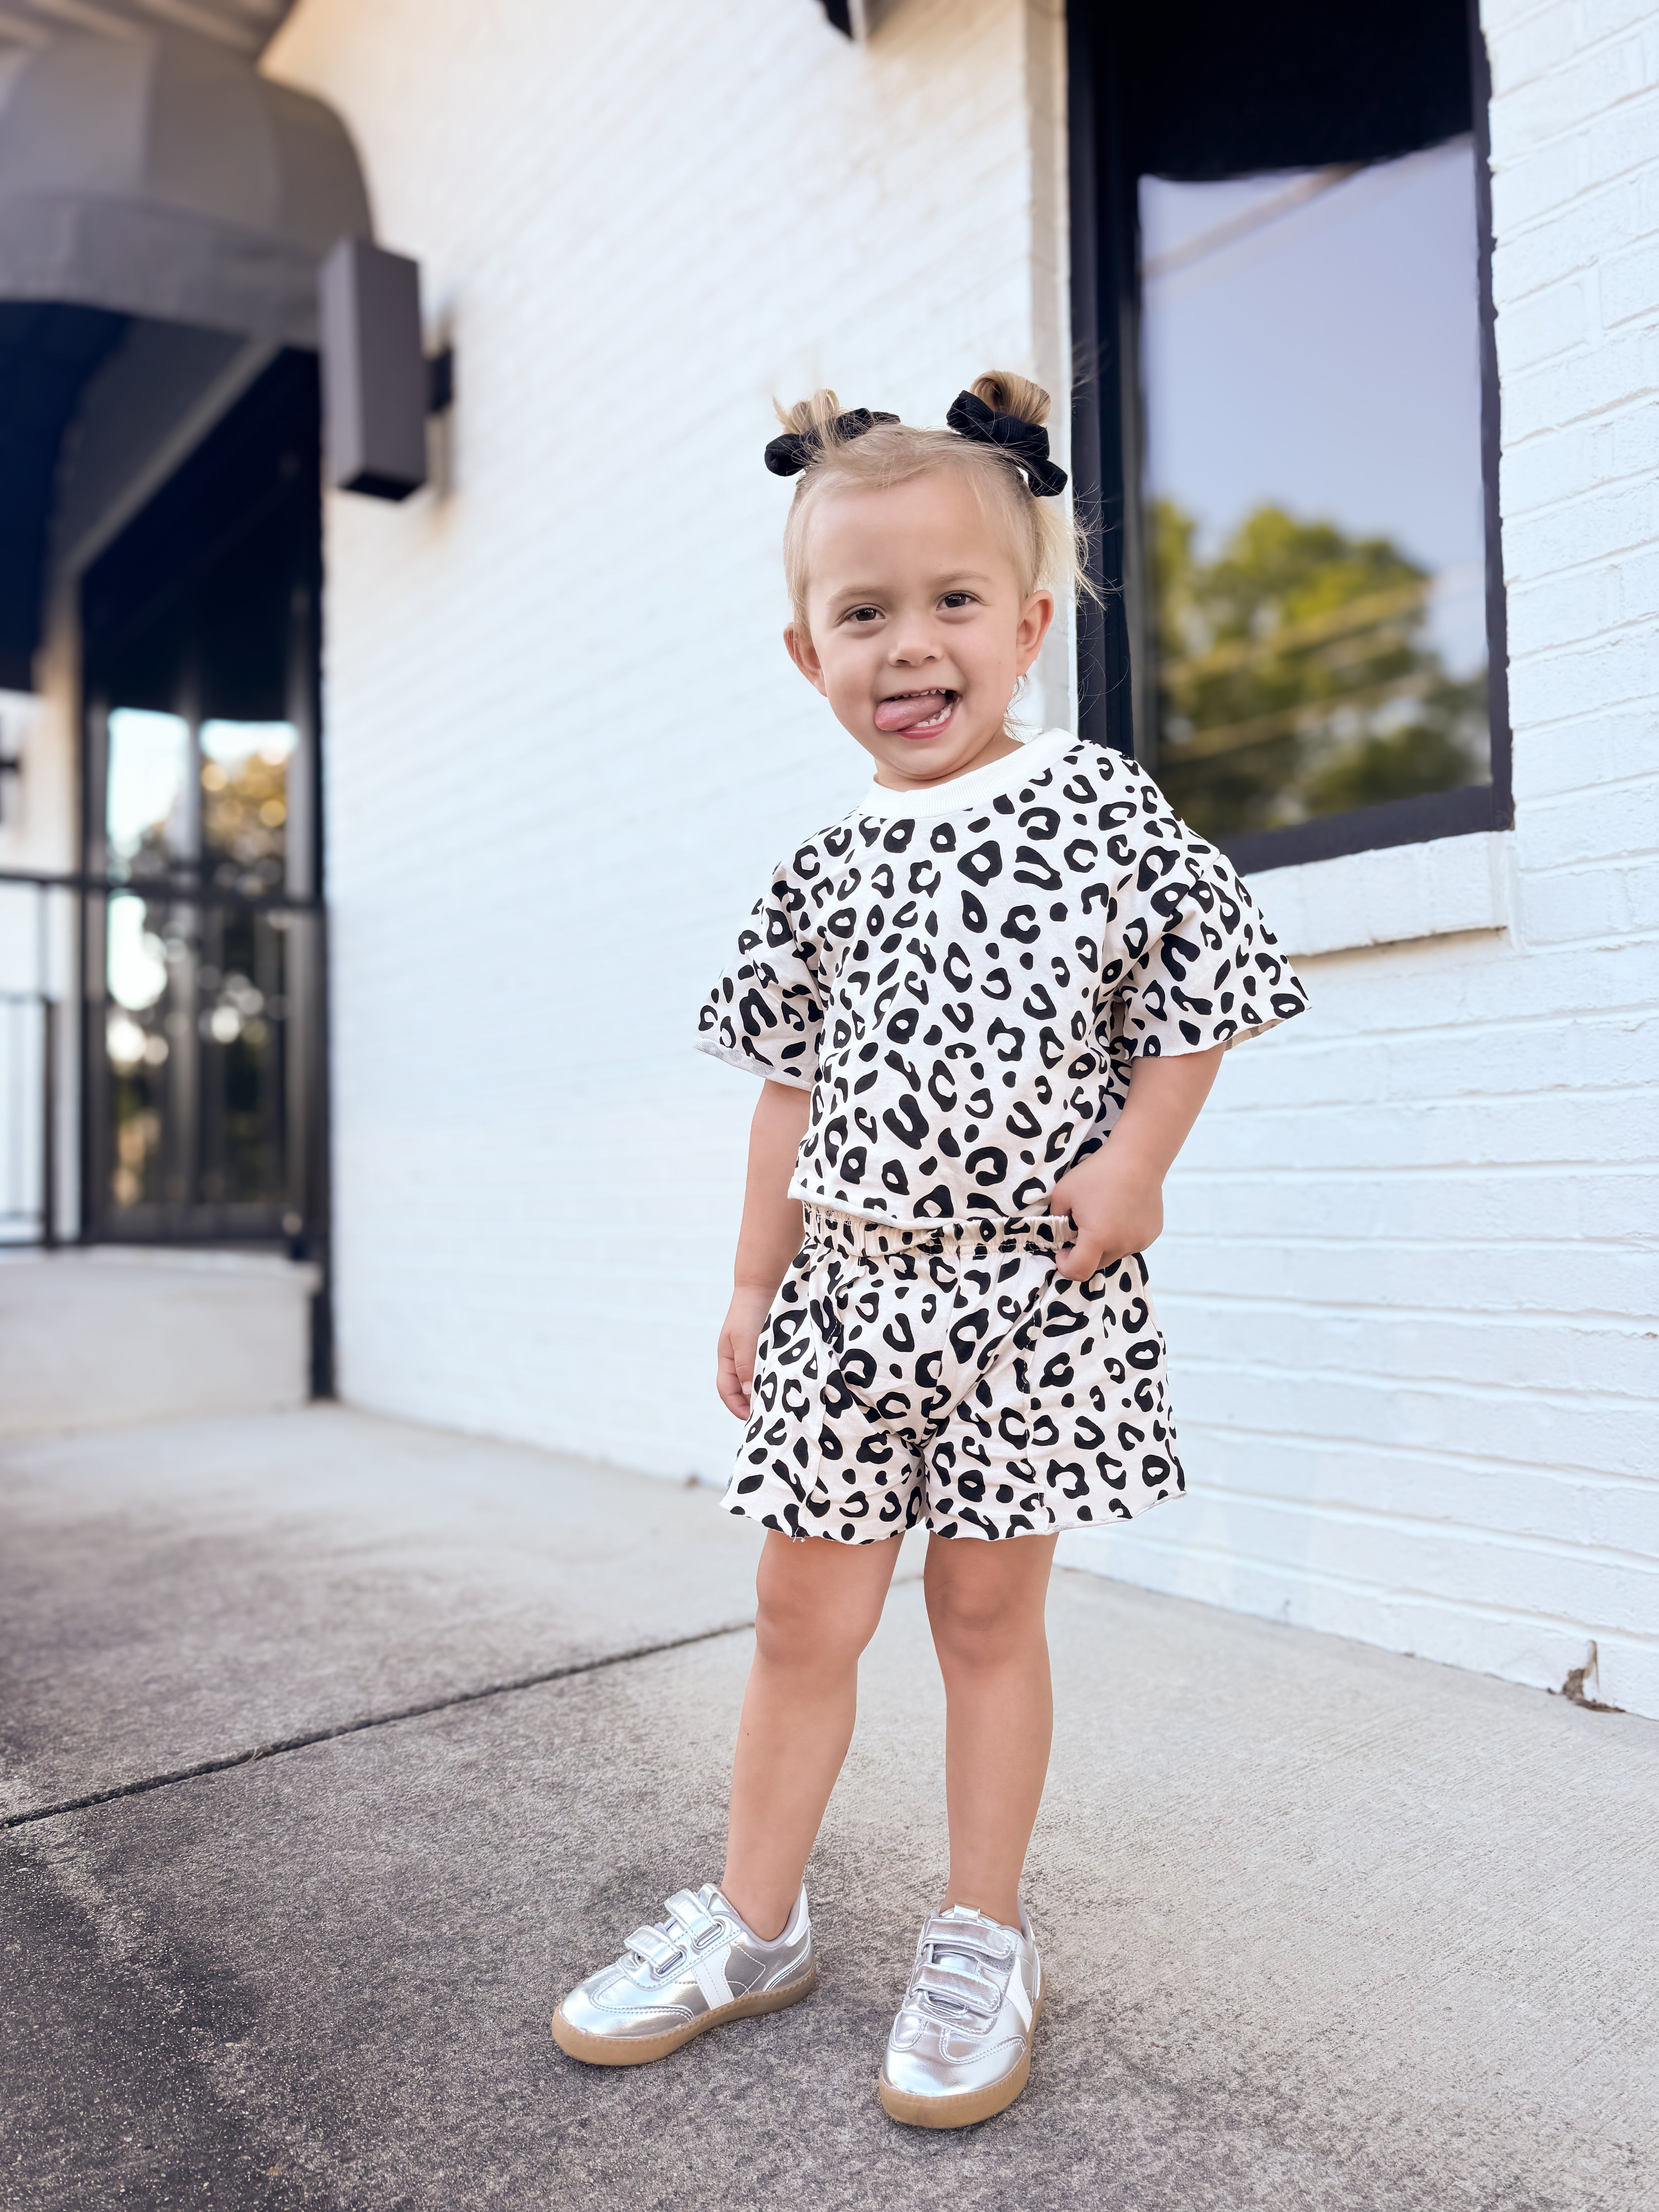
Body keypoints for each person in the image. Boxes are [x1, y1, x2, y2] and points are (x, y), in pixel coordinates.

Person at [552, 374, 1307, 2127]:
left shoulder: (1098, 810)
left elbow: (1207, 986)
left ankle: (980, 1932)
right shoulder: (821, 866)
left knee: (983, 1610)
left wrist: (1138, 1162)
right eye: (862, 613)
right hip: (841, 1293)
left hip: (1029, 1291)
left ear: (1030, 620)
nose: (910, 647)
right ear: (806, 656)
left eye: (952, 602)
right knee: (799, 1607)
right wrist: (752, 1280)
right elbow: (784, 1097)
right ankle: (752, 1925)